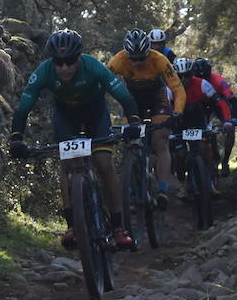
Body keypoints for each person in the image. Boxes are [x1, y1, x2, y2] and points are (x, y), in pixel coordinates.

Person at [9, 29, 141, 251]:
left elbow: (124, 96)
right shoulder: (44, 72)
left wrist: (135, 123)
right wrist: (16, 139)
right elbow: (23, 108)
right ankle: (72, 225)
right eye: (59, 62)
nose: (64, 68)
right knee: (67, 164)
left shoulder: (93, 66)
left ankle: (119, 228)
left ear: (79, 57)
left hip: (95, 114)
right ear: (53, 61)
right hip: (65, 116)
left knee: (103, 164)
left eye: (70, 61)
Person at [106, 28, 185, 209]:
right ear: (127, 54)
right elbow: (101, 85)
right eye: (134, 58)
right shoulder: (118, 60)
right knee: (130, 140)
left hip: (157, 100)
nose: (138, 62)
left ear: (148, 52)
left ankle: (162, 189)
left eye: (142, 57)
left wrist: (177, 112)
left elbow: (178, 89)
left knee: (160, 140)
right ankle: (133, 187)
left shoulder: (159, 59)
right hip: (133, 102)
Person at [174, 57, 234, 189]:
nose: (184, 79)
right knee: (180, 155)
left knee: (204, 149)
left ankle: (212, 179)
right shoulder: (170, 88)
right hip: (179, 122)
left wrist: (227, 120)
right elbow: (164, 109)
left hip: (198, 119)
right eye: (180, 76)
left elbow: (220, 102)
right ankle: (182, 185)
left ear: (192, 74)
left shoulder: (202, 84)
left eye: (187, 75)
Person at [192, 58, 237, 174]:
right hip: (200, 106)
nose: (203, 81)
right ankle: (209, 157)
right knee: (203, 130)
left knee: (230, 130)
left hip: (217, 103)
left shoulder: (218, 80)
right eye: (199, 78)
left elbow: (232, 100)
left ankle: (225, 161)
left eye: (206, 77)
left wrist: (233, 118)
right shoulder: (191, 82)